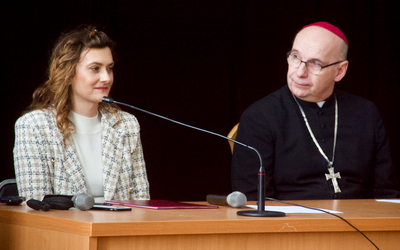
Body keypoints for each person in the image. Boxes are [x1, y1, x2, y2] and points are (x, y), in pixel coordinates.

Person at [231, 22, 400, 200]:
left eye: (315, 63)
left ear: (340, 71)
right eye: (295, 57)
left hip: (361, 223)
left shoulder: (366, 113)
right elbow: (253, 199)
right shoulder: (260, 116)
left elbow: (386, 192)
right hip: (290, 224)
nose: (300, 72)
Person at [13, 26, 150, 202]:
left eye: (109, 68)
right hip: (63, 230)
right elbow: (36, 208)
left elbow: (142, 203)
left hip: (120, 229)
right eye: (95, 68)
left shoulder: (126, 124)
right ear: (68, 74)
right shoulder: (34, 126)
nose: (106, 78)